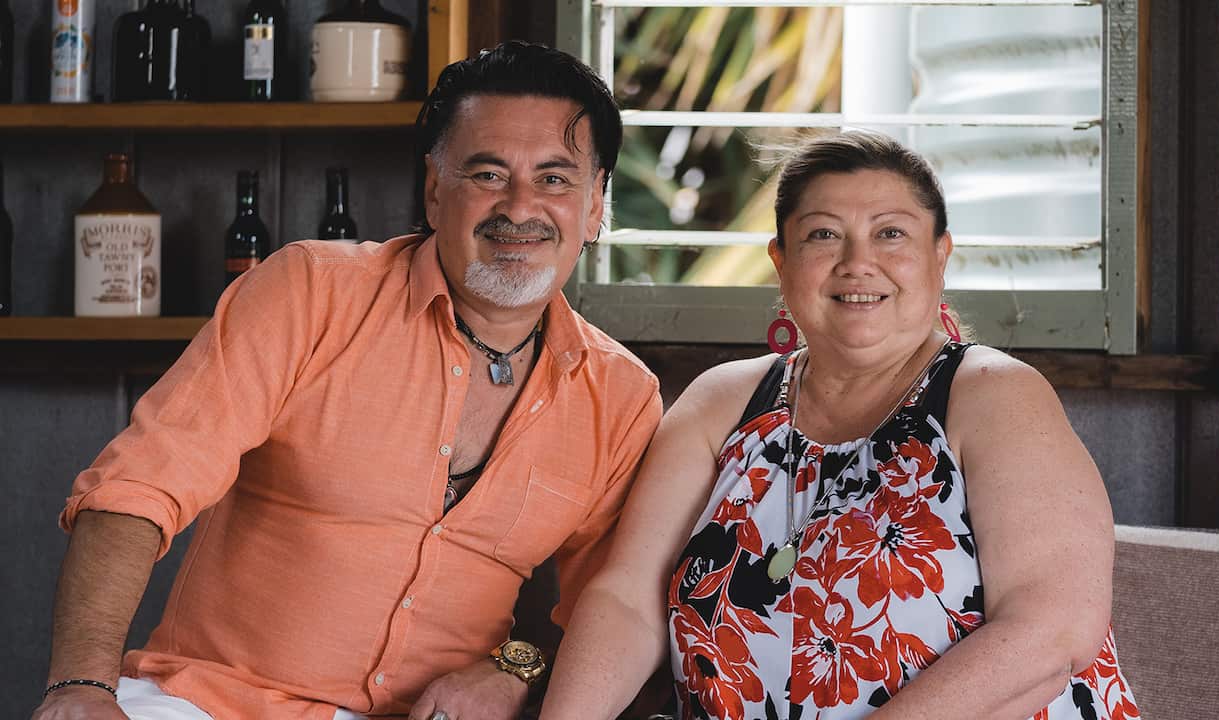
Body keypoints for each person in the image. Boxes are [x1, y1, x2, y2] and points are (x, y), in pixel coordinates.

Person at [33, 41, 662, 720]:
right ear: (432, 188)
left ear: (596, 203)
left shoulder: (620, 399)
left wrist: (517, 669)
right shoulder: (310, 292)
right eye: (486, 173)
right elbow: (136, 490)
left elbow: (612, 606)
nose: (519, 206)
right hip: (212, 705)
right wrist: (81, 688)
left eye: (555, 180)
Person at [539, 131, 1142, 720]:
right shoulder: (722, 402)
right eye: (824, 235)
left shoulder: (994, 394)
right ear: (780, 260)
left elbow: (1052, 633)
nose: (859, 263)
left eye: (891, 234)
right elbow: (627, 601)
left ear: (940, 255)